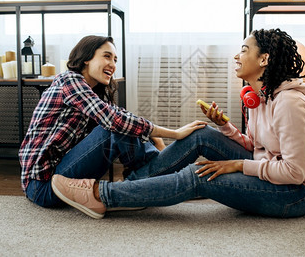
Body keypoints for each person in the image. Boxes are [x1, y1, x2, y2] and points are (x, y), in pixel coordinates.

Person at [51, 28, 305, 219]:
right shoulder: (257, 97)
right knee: (201, 134)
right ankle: (138, 188)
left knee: (199, 176)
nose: (236, 56)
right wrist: (224, 128)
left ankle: (103, 195)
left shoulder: (289, 103)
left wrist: (237, 165)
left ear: (264, 59)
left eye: (244, 50)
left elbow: (293, 172)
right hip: (270, 171)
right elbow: (256, 147)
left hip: (293, 194)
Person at [19, 35, 207, 207]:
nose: (113, 64)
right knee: (114, 129)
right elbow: (114, 120)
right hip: (44, 186)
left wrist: (157, 139)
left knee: (125, 128)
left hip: (67, 178)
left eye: (115, 60)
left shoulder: (93, 93)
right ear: (86, 58)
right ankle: (159, 183)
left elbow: (123, 117)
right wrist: (173, 133)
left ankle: (153, 184)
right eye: (107, 56)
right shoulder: (69, 80)